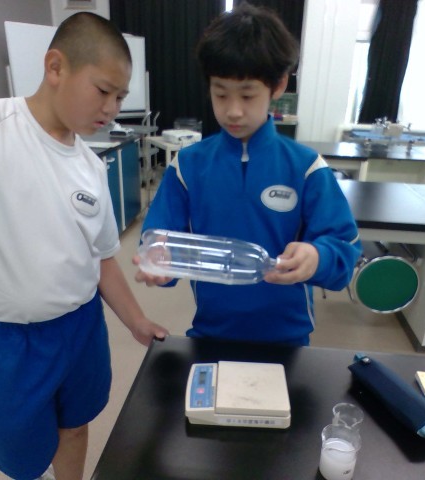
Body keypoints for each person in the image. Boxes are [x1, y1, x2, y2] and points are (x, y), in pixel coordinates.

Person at [0, 12, 168, 480]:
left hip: (82, 327)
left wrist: (135, 319)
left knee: (76, 425)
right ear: (55, 67)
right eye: (103, 90)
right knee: (24, 457)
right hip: (9, 339)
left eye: (120, 97)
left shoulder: (90, 165)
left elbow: (101, 258)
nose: (111, 107)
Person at [133, 3, 361, 347]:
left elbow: (345, 250)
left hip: (289, 338)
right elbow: (160, 238)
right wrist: (159, 263)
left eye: (248, 95)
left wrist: (319, 258)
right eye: (220, 94)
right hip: (210, 332)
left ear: (278, 85)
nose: (233, 110)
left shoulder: (306, 168)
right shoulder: (188, 166)